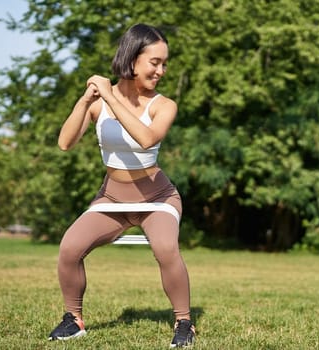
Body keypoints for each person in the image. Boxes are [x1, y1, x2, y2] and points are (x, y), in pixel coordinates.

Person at [49, 23, 196, 348]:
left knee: (165, 249)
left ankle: (184, 322)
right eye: (154, 62)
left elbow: (145, 140)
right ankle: (73, 320)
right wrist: (86, 99)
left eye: (164, 63)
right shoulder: (99, 102)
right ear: (131, 59)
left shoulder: (163, 105)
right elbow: (64, 143)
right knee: (69, 248)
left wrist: (111, 96)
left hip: (157, 197)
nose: (161, 70)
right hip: (113, 198)